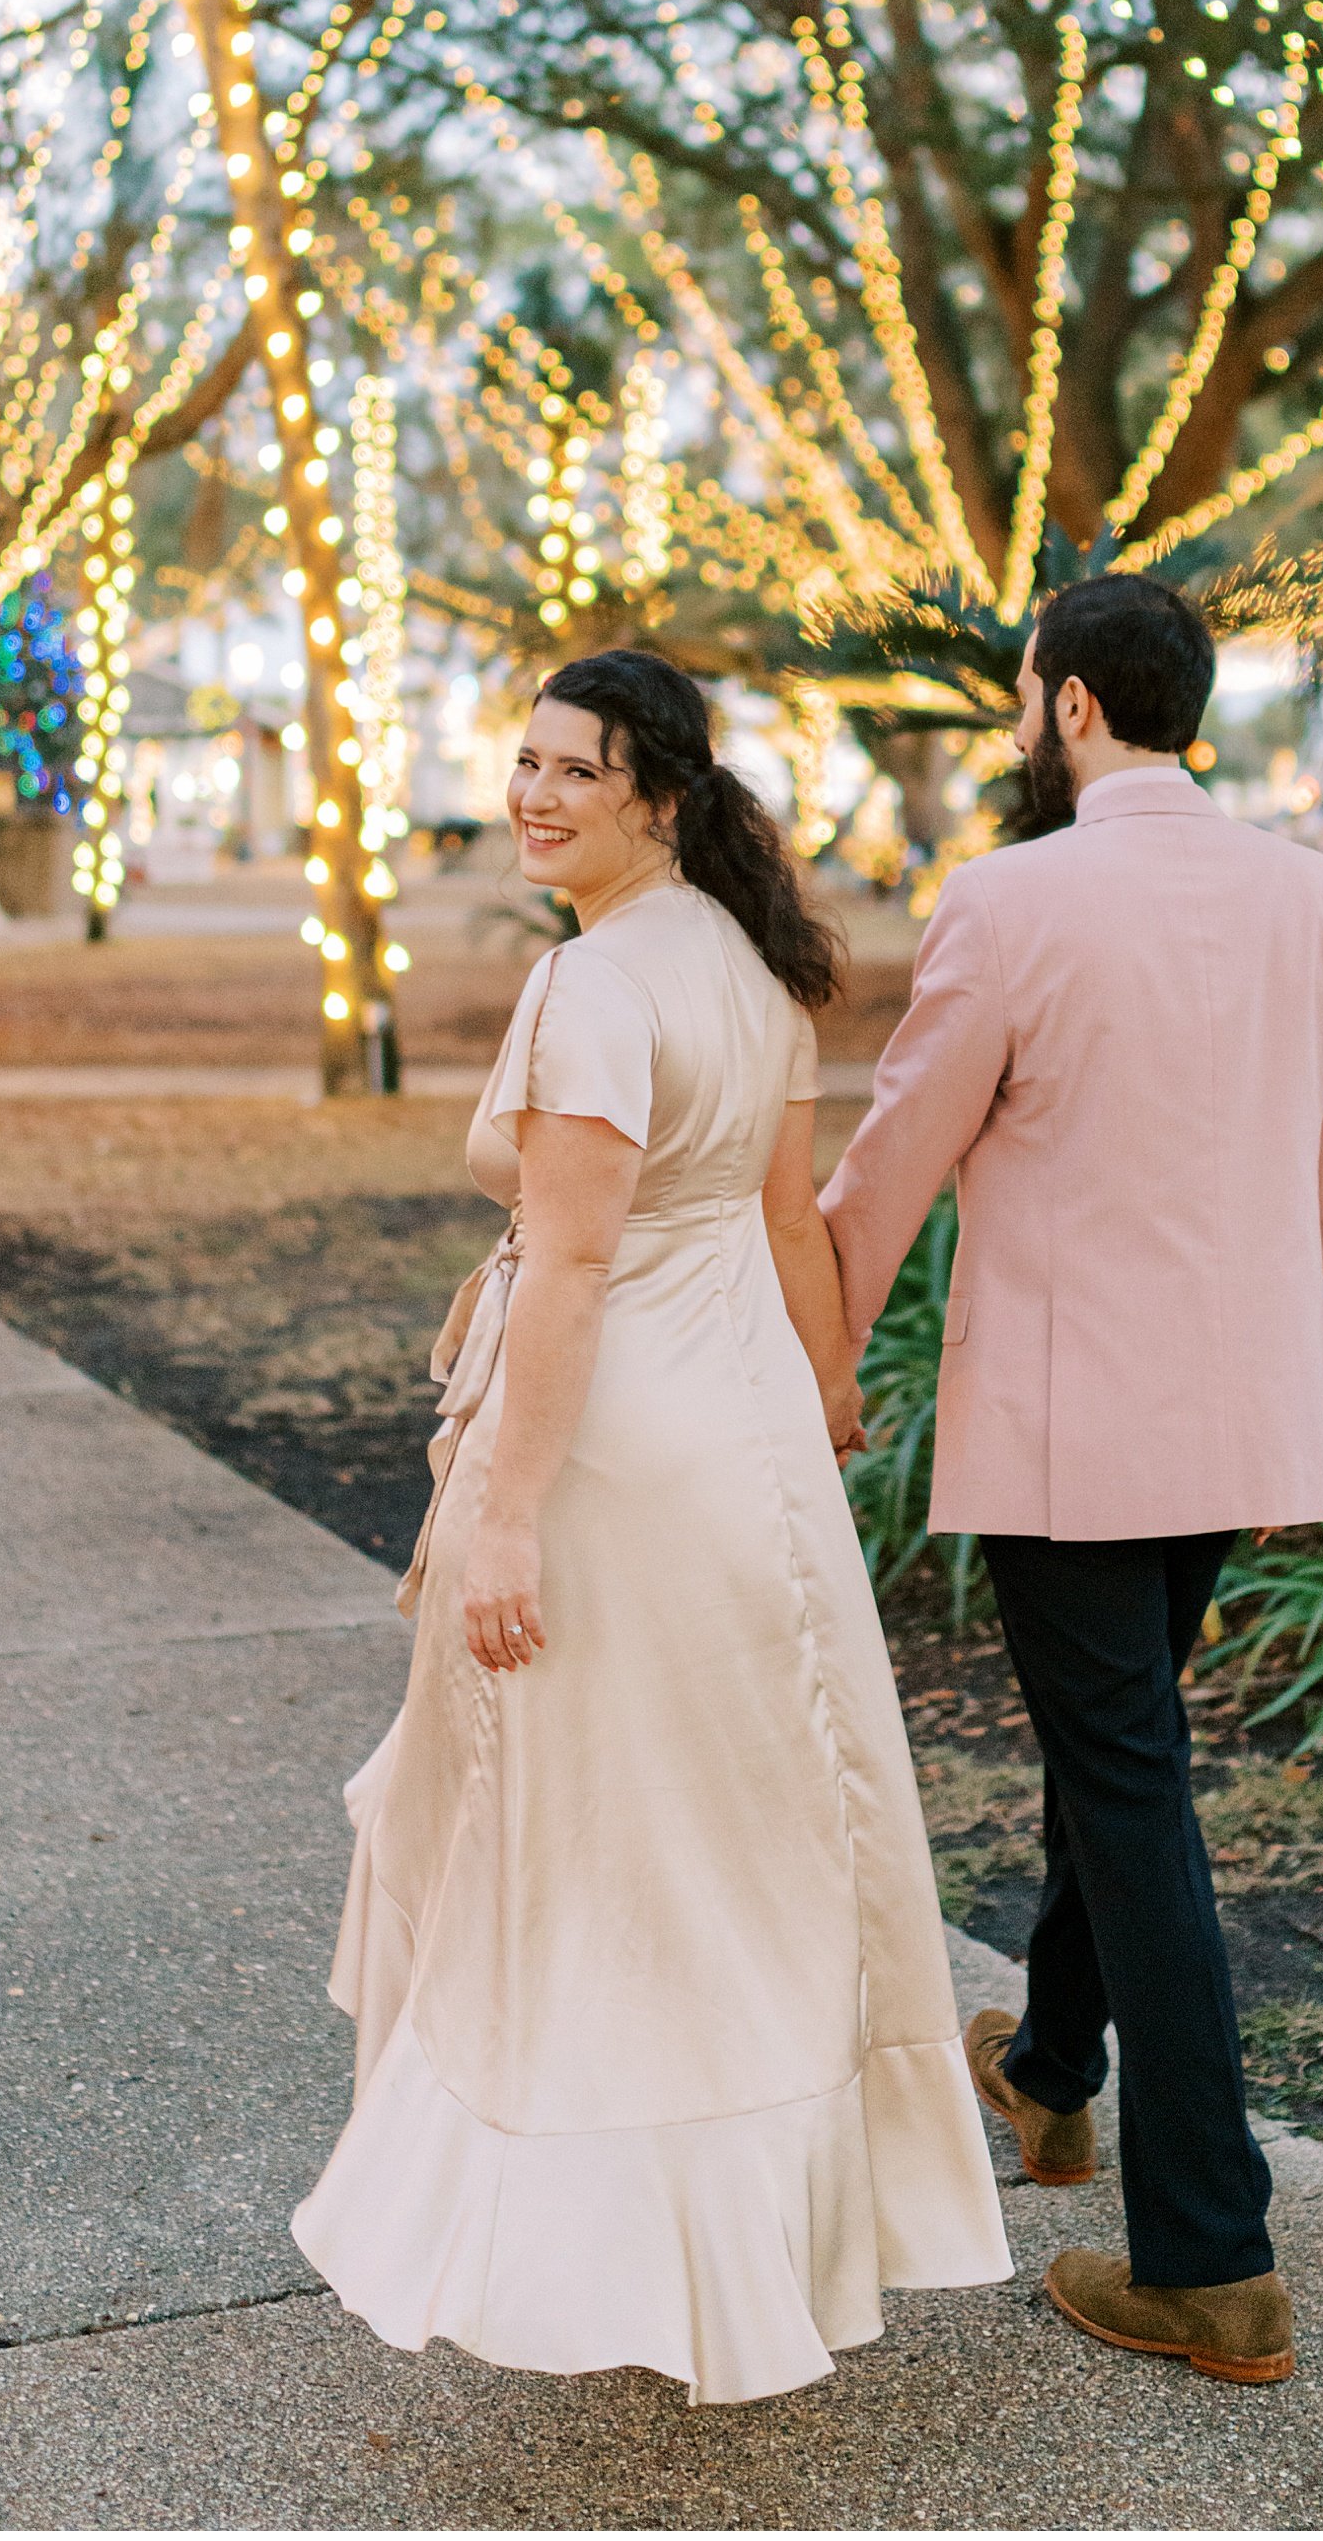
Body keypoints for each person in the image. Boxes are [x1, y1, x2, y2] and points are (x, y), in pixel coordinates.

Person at [292, 650, 1009, 2406]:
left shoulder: (598, 987)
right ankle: (746, 2240)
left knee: (603, 1865)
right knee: (737, 1850)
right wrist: (827, 1394)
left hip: (617, 1465)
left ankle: (610, 2240)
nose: (535, 794)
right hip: (746, 1454)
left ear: (659, 796)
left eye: (572, 771)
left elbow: (585, 1266)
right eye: (523, 762)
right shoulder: (752, 971)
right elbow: (788, 1227)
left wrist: (511, 1513)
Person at [822, 573, 1323, 2387]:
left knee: (1130, 1785)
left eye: (1019, 695)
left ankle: (1213, 2258)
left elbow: (893, 1157)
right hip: (1237, 1420)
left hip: (1072, 1439)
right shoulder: (1321, 896)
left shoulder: (1007, 899)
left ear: (1067, 705)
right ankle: (1053, 2075)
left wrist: (807, 1346)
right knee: (1120, 1743)